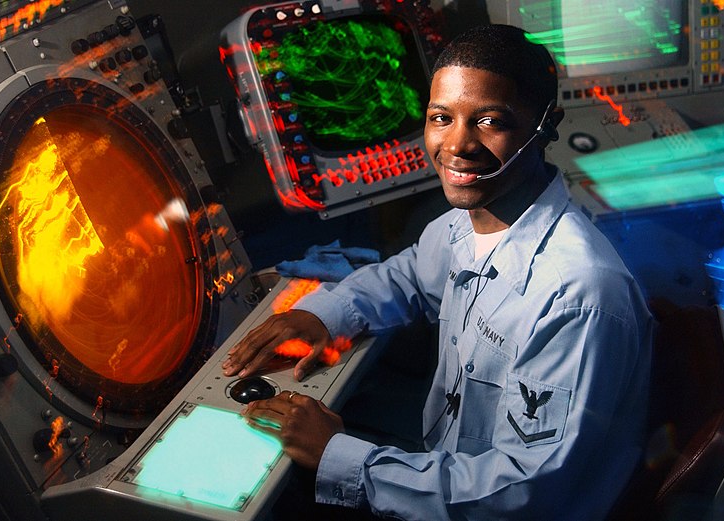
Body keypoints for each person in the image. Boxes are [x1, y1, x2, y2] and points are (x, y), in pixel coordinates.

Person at [222, 24, 653, 520]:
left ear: (546, 125)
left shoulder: (578, 294)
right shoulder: (462, 226)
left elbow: (525, 493)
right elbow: (409, 275)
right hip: (445, 463)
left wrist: (344, 459)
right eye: (441, 117)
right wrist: (326, 313)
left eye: (489, 121)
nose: (457, 144)